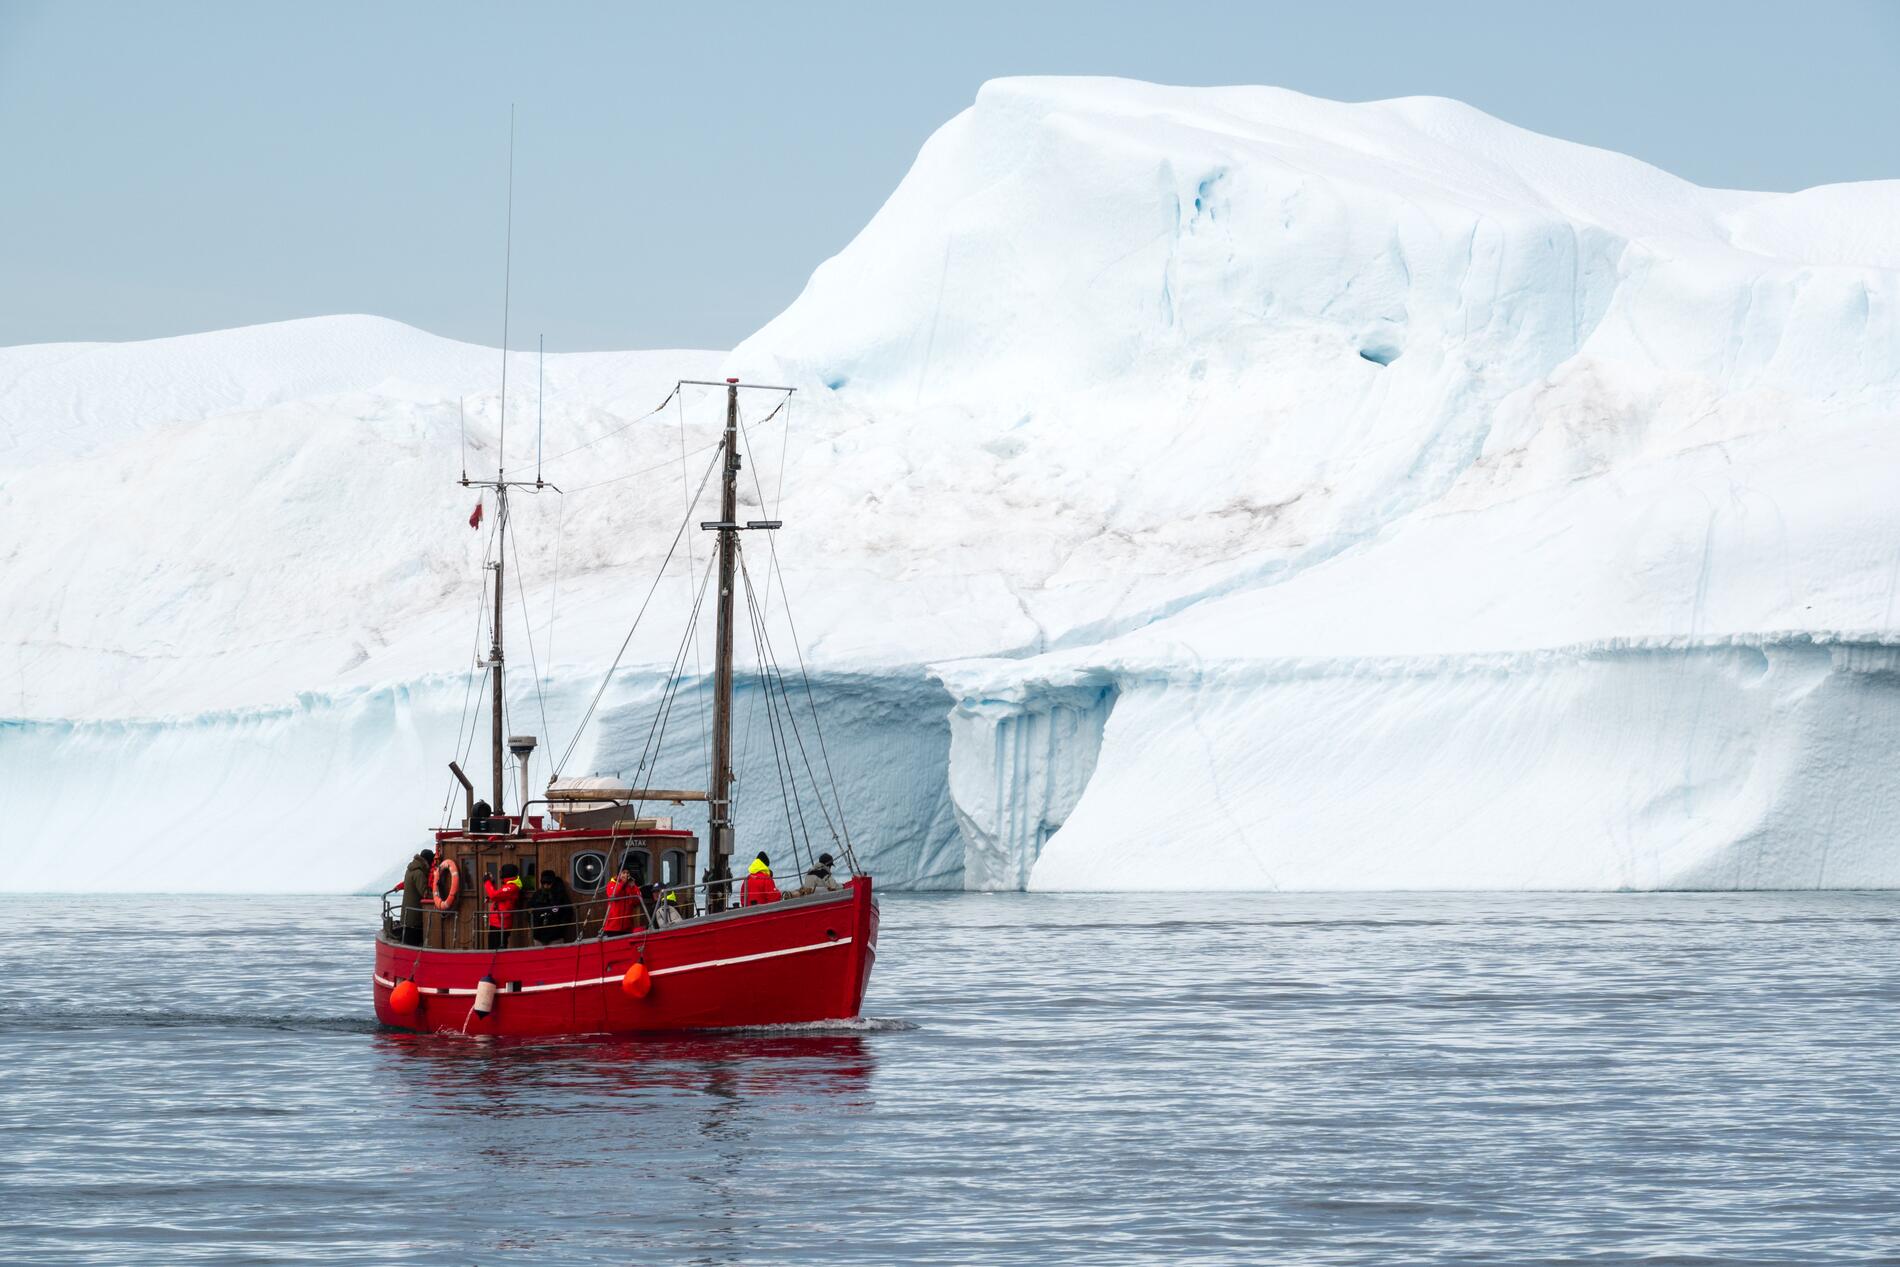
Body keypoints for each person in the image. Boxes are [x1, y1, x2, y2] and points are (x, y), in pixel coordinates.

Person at [396, 848, 435, 945]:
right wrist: (438, 897)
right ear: (427, 861)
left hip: (408, 916)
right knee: (414, 940)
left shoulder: (411, 870)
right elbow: (425, 893)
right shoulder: (419, 873)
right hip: (415, 917)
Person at [527, 868, 576, 944]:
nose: (546, 885)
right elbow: (529, 910)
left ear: (553, 882)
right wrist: (533, 926)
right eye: (544, 883)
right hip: (539, 935)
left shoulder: (560, 895)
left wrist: (561, 927)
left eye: (548, 883)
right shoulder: (537, 895)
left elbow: (568, 912)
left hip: (556, 935)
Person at [482, 863, 522, 950]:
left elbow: (494, 895)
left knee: (496, 949)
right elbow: (499, 896)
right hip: (497, 922)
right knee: (494, 947)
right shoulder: (509, 885)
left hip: (501, 924)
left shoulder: (512, 887)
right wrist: (492, 884)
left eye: (501, 872)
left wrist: (487, 882)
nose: (500, 874)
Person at [601, 863, 640, 936]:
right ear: (619, 874)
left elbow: (637, 901)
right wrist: (622, 883)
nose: (626, 875)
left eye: (627, 873)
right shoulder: (611, 884)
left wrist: (632, 887)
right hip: (612, 927)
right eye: (623, 872)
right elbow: (613, 895)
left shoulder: (631, 886)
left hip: (627, 927)